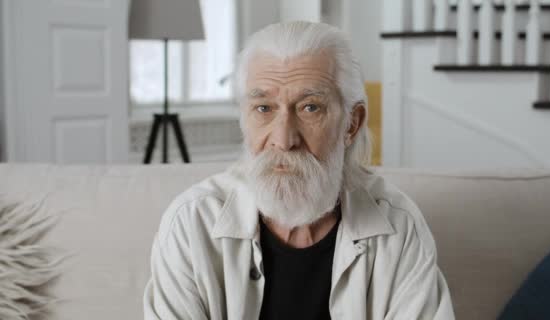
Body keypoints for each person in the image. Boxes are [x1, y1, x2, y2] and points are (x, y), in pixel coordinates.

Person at [143, 21, 455, 320]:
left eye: (310, 107)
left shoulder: (399, 228)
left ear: (351, 123)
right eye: (263, 108)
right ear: (244, 118)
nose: (283, 139)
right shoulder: (191, 225)